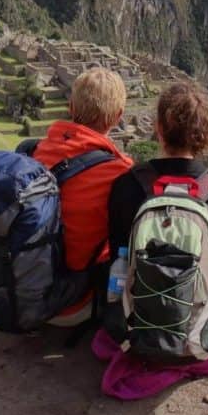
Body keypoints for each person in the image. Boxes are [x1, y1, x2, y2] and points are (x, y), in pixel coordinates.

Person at [93, 81, 208, 399]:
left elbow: (119, 258)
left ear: (158, 128)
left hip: (134, 336)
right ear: (203, 133)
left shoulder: (127, 186)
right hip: (199, 342)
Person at [28, 67, 133, 327]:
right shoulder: (121, 173)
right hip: (74, 304)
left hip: (27, 291)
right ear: (118, 116)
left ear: (70, 106)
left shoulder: (35, 152)